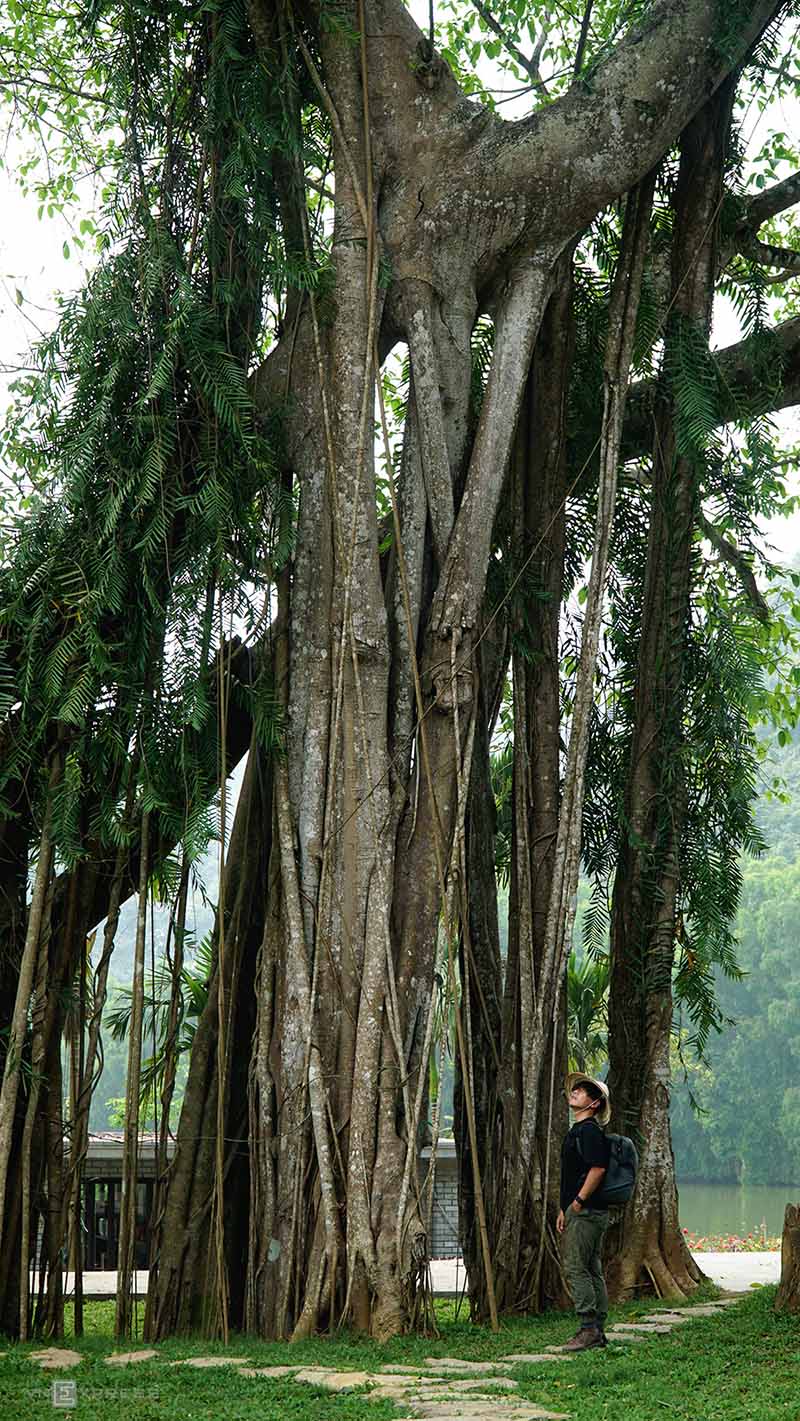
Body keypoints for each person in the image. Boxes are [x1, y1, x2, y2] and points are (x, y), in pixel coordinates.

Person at [557, 1071, 612, 1351]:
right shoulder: (578, 1131)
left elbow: (598, 1168)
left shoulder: (589, 1131)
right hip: (581, 1210)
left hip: (587, 1211)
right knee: (591, 1268)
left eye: (582, 1091)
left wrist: (578, 1201)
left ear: (594, 1104)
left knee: (577, 1267)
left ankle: (588, 1328)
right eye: (575, 1089)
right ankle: (597, 1330)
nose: (575, 1092)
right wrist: (565, 1209)